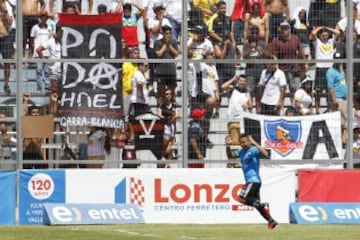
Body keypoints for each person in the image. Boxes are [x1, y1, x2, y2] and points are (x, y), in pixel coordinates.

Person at [225, 132, 278, 229]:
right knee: (256, 205)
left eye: (244, 142)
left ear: (249, 142)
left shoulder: (253, 150)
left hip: (253, 180)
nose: (242, 144)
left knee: (241, 198)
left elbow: (266, 154)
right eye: (240, 142)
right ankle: (271, 221)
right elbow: (230, 156)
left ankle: (261, 206)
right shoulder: (241, 152)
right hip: (252, 181)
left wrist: (254, 142)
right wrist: (228, 146)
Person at [154, 25, 179, 105]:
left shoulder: (174, 42)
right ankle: (160, 106)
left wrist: (170, 45)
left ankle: (172, 106)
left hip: (171, 70)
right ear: (163, 34)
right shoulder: (157, 42)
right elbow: (158, 54)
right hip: (161, 70)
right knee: (161, 90)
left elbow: (176, 54)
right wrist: (165, 45)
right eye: (166, 33)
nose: (168, 35)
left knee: (172, 90)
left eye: (169, 33)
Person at [30, 10, 53, 92]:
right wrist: (32, 53)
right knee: (39, 70)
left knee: (47, 71)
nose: (43, 18)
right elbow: (31, 40)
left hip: (47, 53)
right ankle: (39, 88)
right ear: (40, 18)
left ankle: (47, 86)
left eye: (45, 17)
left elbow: (51, 40)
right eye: (42, 17)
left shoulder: (50, 28)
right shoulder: (35, 28)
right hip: (37, 53)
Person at [156, 89, 180, 163]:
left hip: (172, 125)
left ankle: (169, 160)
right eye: (166, 94)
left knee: (171, 142)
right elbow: (159, 114)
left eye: (169, 94)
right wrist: (166, 118)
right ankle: (163, 156)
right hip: (164, 125)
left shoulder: (174, 104)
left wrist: (172, 118)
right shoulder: (161, 105)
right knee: (166, 140)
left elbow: (177, 114)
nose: (168, 95)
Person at [0, 0, 14, 94]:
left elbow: (9, 23)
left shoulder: (7, 6)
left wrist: (4, 10)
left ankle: (6, 84)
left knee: (7, 62)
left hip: (5, 37)